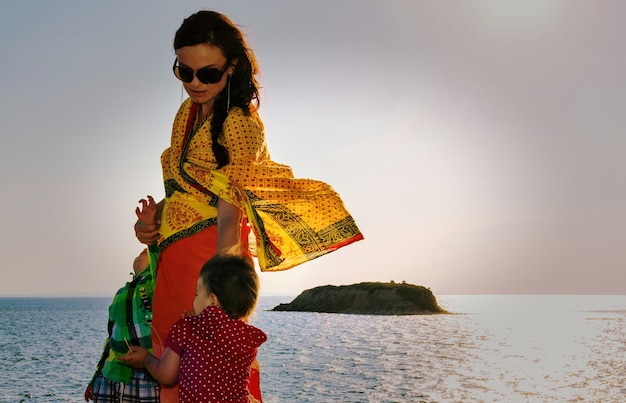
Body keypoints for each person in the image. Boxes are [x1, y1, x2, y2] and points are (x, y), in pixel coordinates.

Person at [134, 10, 363, 402]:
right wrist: (151, 227)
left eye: (208, 73)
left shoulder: (239, 123)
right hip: (173, 256)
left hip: (209, 264)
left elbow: (230, 210)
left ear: (233, 66)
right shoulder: (186, 114)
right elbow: (189, 189)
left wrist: (221, 297)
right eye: (184, 72)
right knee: (176, 369)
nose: (194, 83)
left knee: (209, 373)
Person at [120, 254, 267, 403]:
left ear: (212, 300)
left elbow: (167, 374)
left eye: (197, 293)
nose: (194, 299)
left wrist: (146, 359)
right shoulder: (247, 338)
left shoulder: (188, 328)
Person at [85, 198, 160, 402]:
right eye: (140, 252)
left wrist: (149, 239)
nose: (142, 253)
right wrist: (95, 378)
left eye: (145, 252)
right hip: (111, 376)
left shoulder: (156, 281)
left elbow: (157, 257)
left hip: (148, 377)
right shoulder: (121, 293)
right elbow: (110, 338)